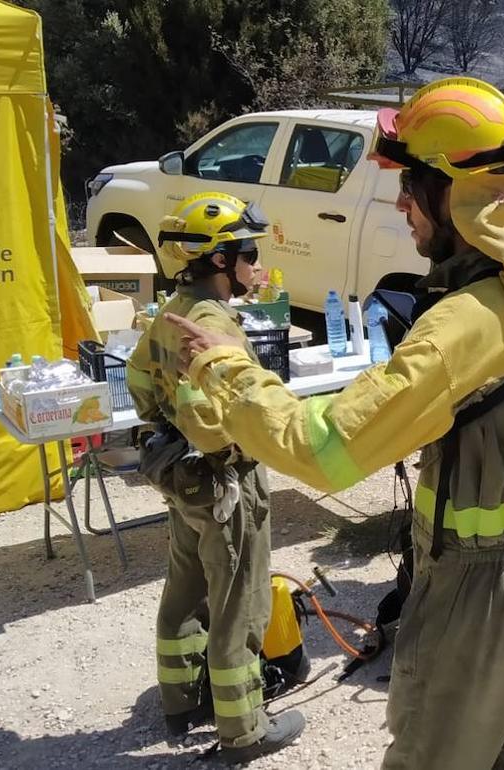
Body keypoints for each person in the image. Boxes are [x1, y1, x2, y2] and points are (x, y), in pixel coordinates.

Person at [162, 77, 504, 769]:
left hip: (477, 595)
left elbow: (322, 450)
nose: (401, 204)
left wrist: (227, 371)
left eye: (411, 185)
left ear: (454, 192)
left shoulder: (465, 324)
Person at [126, 192, 306, 763]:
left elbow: (137, 381)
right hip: (223, 481)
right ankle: (244, 729)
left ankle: (181, 702)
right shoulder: (207, 320)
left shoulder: (171, 309)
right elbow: (210, 423)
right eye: (248, 251)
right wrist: (244, 437)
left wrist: (172, 429)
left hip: (179, 478)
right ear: (222, 261)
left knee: (186, 586)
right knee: (240, 601)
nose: (257, 263)